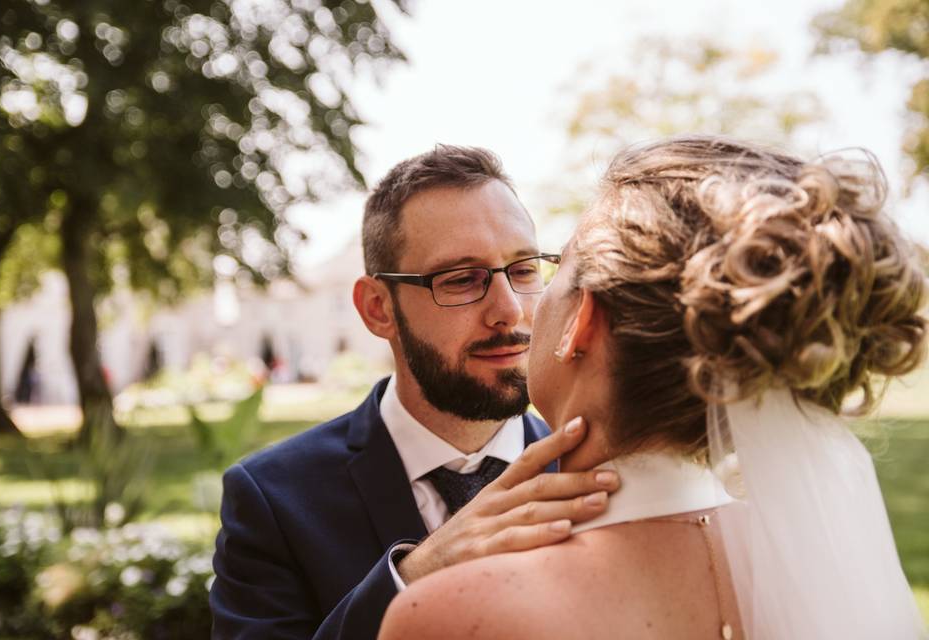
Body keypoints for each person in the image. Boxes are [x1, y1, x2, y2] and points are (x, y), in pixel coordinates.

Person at [379, 136, 928, 639]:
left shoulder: (450, 614)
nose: (518, 311)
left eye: (551, 272)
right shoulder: (814, 566)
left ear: (582, 320)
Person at [209, 145, 622, 639]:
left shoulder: (605, 475)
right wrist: (410, 578)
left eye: (524, 269)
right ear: (378, 308)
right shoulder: (273, 498)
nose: (509, 310)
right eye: (462, 279)